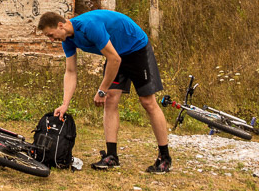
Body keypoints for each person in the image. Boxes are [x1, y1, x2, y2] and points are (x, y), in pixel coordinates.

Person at [37, 10, 171, 173]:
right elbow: (71, 72)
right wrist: (65, 104)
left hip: (136, 49)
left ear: (60, 25)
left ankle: (165, 158)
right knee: (110, 99)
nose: (51, 40)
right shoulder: (67, 40)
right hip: (116, 53)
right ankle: (112, 156)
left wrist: (101, 90)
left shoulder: (89, 26)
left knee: (148, 102)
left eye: (51, 35)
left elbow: (114, 59)